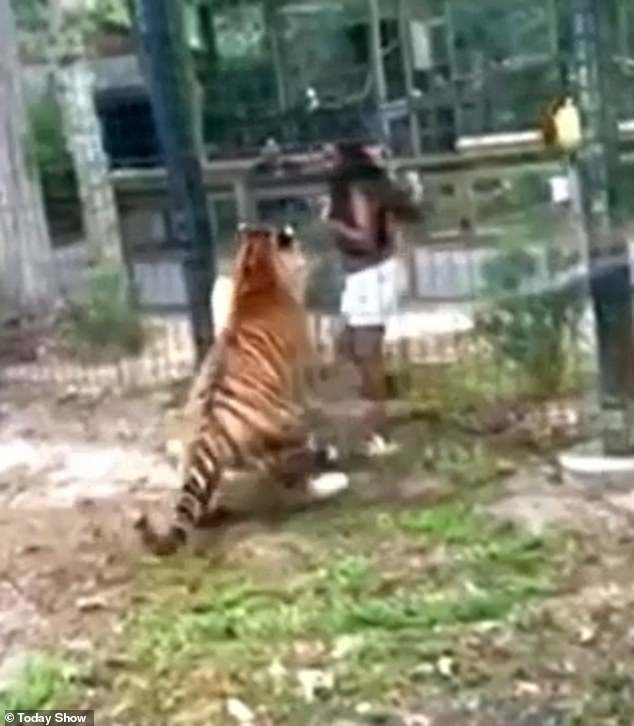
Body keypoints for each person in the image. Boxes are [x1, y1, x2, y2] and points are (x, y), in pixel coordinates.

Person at [325, 141, 420, 455]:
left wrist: (334, 226)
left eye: (330, 155)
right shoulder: (368, 186)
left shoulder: (358, 189)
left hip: (372, 274)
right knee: (346, 345)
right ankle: (371, 413)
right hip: (366, 276)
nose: (325, 162)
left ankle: (377, 430)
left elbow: (365, 239)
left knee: (367, 354)